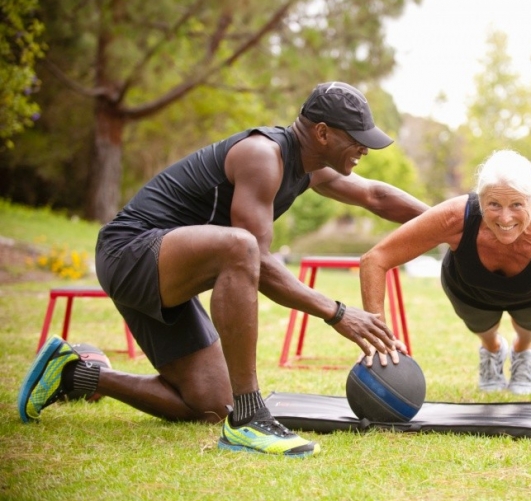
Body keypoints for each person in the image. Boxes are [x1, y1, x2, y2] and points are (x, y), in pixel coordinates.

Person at [18, 81, 428, 456]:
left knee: (211, 404)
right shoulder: (261, 156)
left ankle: (76, 374)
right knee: (241, 244)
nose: (364, 150)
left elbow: (375, 195)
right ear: (322, 133)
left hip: (170, 271)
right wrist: (338, 312)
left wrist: (454, 223)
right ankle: (249, 419)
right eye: (357, 140)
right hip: (130, 253)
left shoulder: (305, 166)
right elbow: (257, 263)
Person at [360, 150, 531, 429]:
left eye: (517, 205)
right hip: (468, 288)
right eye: (494, 204)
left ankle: (522, 352)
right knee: (483, 328)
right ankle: (492, 349)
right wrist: (379, 341)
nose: (505, 218)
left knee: (527, 328)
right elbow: (374, 260)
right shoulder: (455, 217)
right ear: (479, 198)